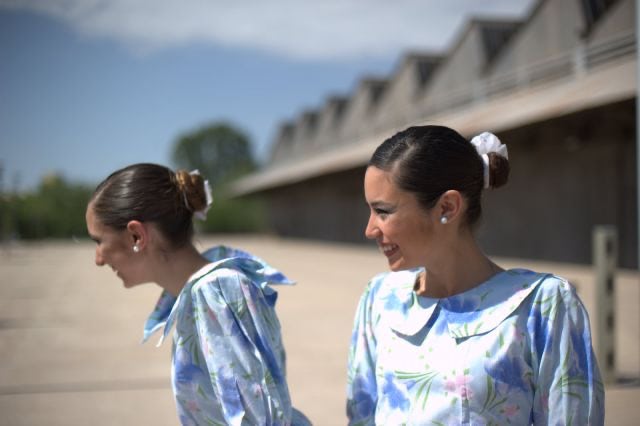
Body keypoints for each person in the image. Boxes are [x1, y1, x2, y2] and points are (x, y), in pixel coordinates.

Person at [346, 125, 604, 425]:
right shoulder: (380, 300)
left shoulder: (541, 305)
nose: (370, 230)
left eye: (383, 211)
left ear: (447, 207)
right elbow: (362, 418)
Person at [86, 163, 309, 425]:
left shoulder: (216, 293)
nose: (98, 259)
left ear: (136, 236)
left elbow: (259, 418)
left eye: (99, 241)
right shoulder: (198, 292)